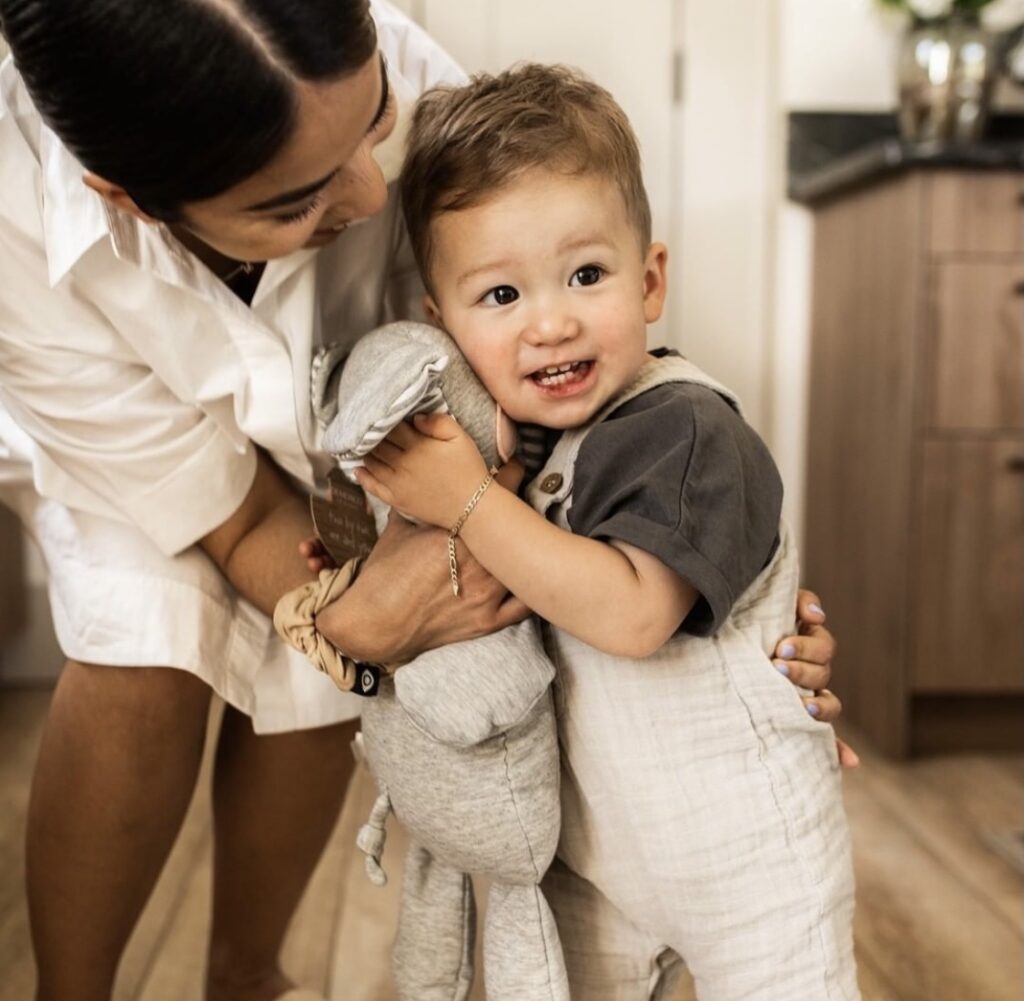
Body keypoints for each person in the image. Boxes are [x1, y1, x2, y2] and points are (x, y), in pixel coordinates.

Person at [0, 2, 842, 999]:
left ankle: (247, 971)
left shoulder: (411, 86)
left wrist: (727, 603)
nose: (371, 191)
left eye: (374, 123)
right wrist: (344, 614)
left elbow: (578, 396)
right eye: (295, 199)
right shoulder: (16, 227)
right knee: (145, 626)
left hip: (381, 424)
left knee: (358, 644)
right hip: (138, 428)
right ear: (127, 196)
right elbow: (220, 512)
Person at [356, 63, 860, 1000]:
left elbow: (633, 615)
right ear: (443, 326)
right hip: (595, 853)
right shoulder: (529, 445)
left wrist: (468, 500)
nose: (551, 321)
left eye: (586, 275)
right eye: (500, 297)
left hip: (748, 848)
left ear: (650, 278)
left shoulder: (685, 428)